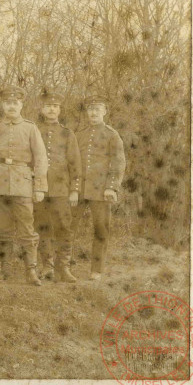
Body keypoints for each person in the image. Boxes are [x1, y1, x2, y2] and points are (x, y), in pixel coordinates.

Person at [0, 86, 48, 286]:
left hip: (23, 183)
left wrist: (39, 187)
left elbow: (41, 158)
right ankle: (5, 271)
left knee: (27, 229)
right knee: (4, 230)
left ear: (21, 105)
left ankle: (31, 271)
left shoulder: (30, 128)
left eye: (15, 103)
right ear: (3, 105)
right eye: (8, 103)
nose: (11, 106)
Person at [73, 95, 126, 281]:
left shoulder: (112, 135)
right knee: (68, 226)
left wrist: (111, 188)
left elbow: (118, 163)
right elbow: (73, 162)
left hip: (101, 190)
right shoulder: (79, 135)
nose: (93, 113)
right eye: (90, 109)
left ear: (105, 111)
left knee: (101, 229)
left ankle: (97, 269)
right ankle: (64, 266)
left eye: (97, 109)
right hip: (79, 189)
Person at [33, 91, 81, 283]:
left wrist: (75, 189)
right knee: (41, 226)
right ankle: (47, 266)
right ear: (42, 109)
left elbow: (75, 163)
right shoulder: (34, 131)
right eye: (48, 106)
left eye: (55, 106)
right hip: (39, 188)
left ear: (59, 110)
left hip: (61, 188)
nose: (51, 110)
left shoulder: (67, 134)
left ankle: (64, 267)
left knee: (64, 227)